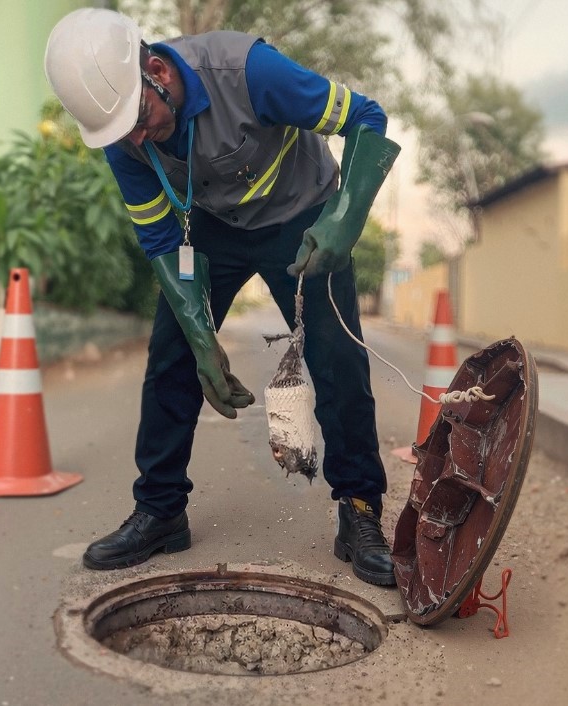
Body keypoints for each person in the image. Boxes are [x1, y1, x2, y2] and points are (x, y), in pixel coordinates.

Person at [44, 8, 401, 586]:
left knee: (337, 361)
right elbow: (160, 236)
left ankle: (359, 511)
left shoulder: (247, 70)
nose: (136, 139)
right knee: (172, 360)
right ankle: (160, 511)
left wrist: (344, 221)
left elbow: (366, 116)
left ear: (157, 70)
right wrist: (200, 336)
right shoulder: (122, 133)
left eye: (141, 117)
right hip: (212, 228)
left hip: (303, 216)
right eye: (121, 133)